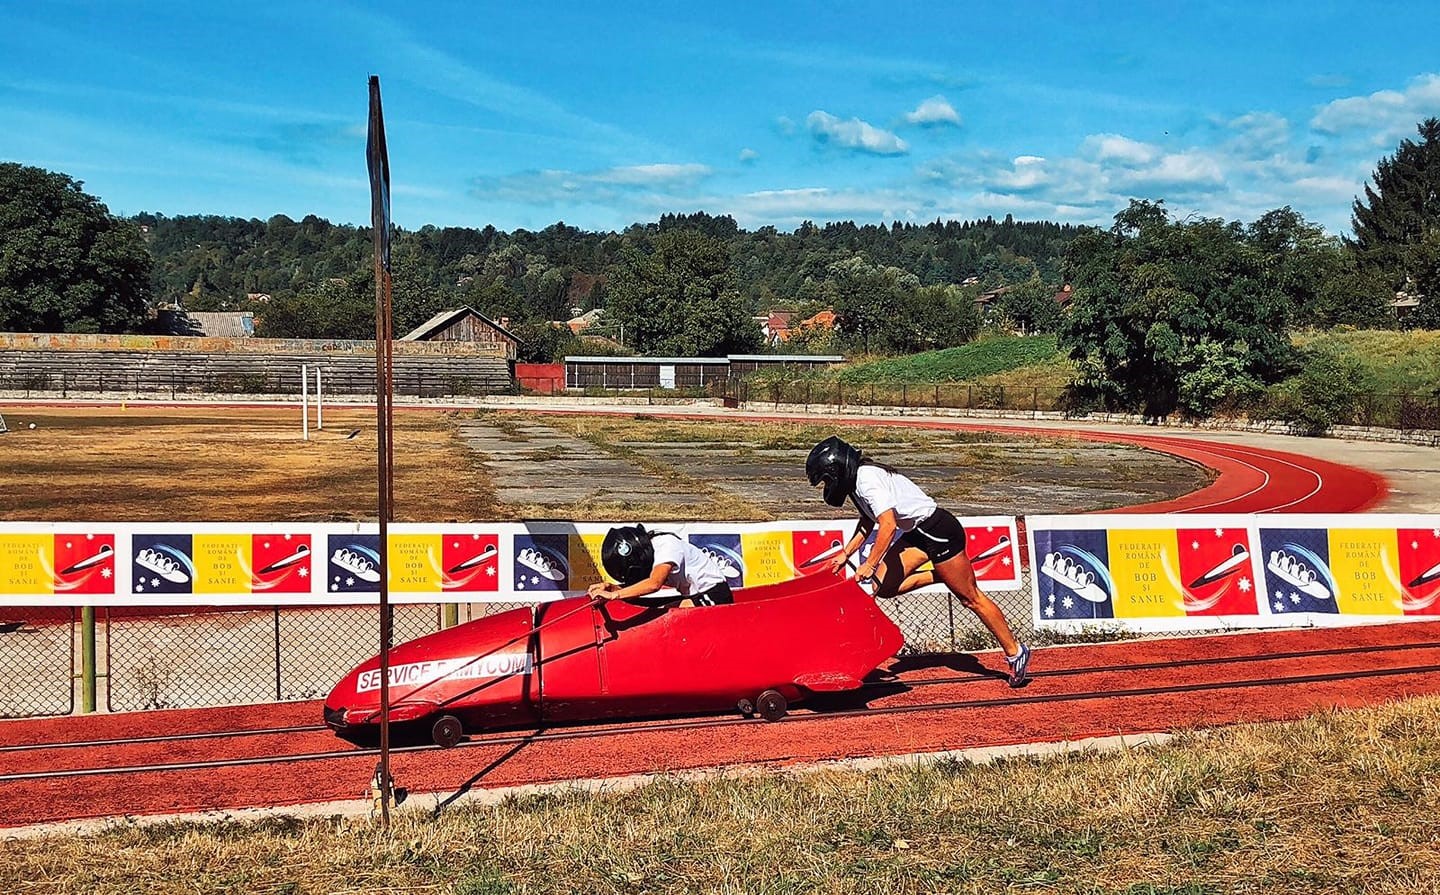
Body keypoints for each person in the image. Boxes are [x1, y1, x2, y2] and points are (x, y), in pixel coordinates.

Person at [805, 435, 1032, 687]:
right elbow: (869, 521)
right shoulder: (856, 486)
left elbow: (888, 526)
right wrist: (846, 553)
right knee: (886, 587)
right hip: (917, 534)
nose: (827, 486)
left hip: (938, 532)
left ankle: (1016, 652)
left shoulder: (867, 479)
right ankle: (943, 575)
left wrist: (869, 563)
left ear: (837, 470)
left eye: (826, 480)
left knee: (971, 599)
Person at [588, 524, 735, 607]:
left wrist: (615, 595)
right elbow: (638, 588)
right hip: (693, 595)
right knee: (643, 606)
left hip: (715, 595)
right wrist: (611, 587)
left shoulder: (665, 544)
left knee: (665, 612)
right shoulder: (651, 554)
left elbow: (654, 584)